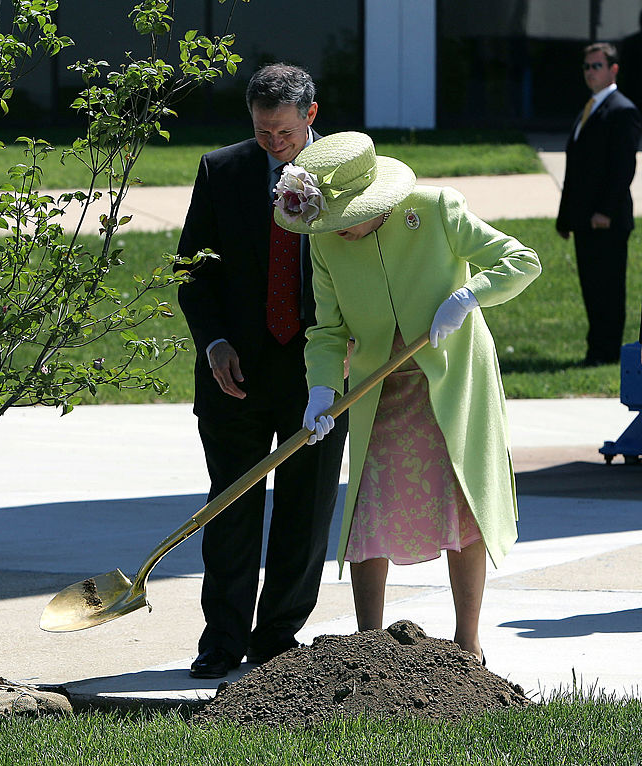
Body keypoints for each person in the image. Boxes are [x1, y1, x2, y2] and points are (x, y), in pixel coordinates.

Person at [280, 131, 541, 663]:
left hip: (451, 378)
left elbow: (521, 260)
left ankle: (467, 643)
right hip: (382, 387)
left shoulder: (437, 208)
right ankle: (369, 647)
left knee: (459, 502)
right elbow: (328, 331)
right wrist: (322, 390)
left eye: (345, 219)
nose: (336, 232)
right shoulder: (326, 240)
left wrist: (468, 297)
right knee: (368, 508)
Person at [176, 63, 348, 679]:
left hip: (318, 370)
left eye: (282, 131)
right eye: (260, 131)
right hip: (236, 372)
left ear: (311, 115)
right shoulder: (222, 171)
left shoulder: (351, 176)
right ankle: (221, 637)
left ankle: (277, 639)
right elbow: (192, 270)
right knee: (231, 507)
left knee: (305, 511)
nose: (273, 143)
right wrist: (215, 342)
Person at [556, 42, 642, 367]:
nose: (589, 72)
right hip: (583, 222)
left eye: (596, 66)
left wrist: (604, 211)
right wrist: (566, 220)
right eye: (586, 67)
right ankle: (596, 350)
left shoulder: (622, 110)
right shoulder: (588, 109)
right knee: (592, 288)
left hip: (607, 221)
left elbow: (623, 169)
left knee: (608, 289)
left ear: (613, 69)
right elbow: (577, 170)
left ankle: (606, 353)